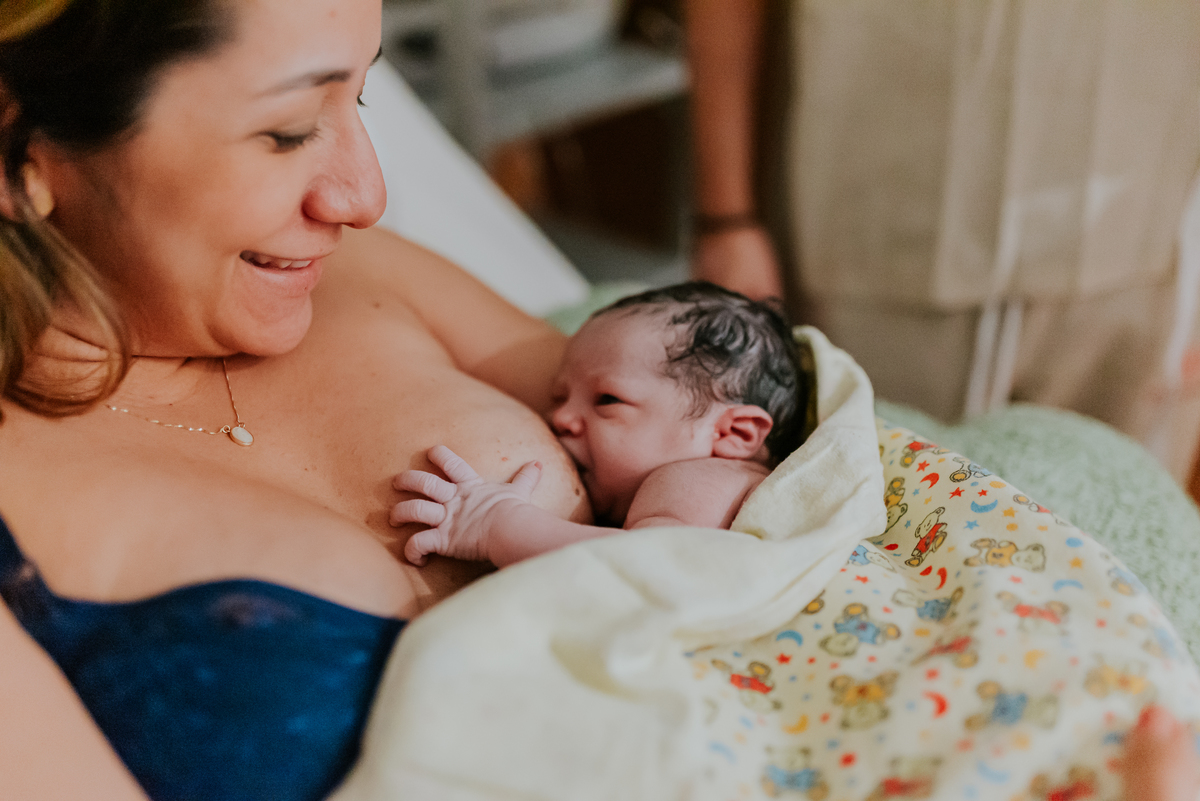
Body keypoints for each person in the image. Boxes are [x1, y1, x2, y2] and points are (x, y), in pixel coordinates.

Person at [0, 1, 588, 798]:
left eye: (362, 95)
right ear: (19, 152)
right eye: (288, 131)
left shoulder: (358, 273)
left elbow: (718, 432)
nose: (365, 198)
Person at [684, 0, 1200, 473]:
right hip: (860, 230)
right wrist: (726, 218)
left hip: (1130, 250)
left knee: (1104, 507)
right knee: (840, 498)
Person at [393, 282, 807, 567]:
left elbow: (651, 566)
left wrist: (498, 524)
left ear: (733, 433)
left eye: (607, 400)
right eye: (559, 397)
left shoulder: (700, 477)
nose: (560, 418)